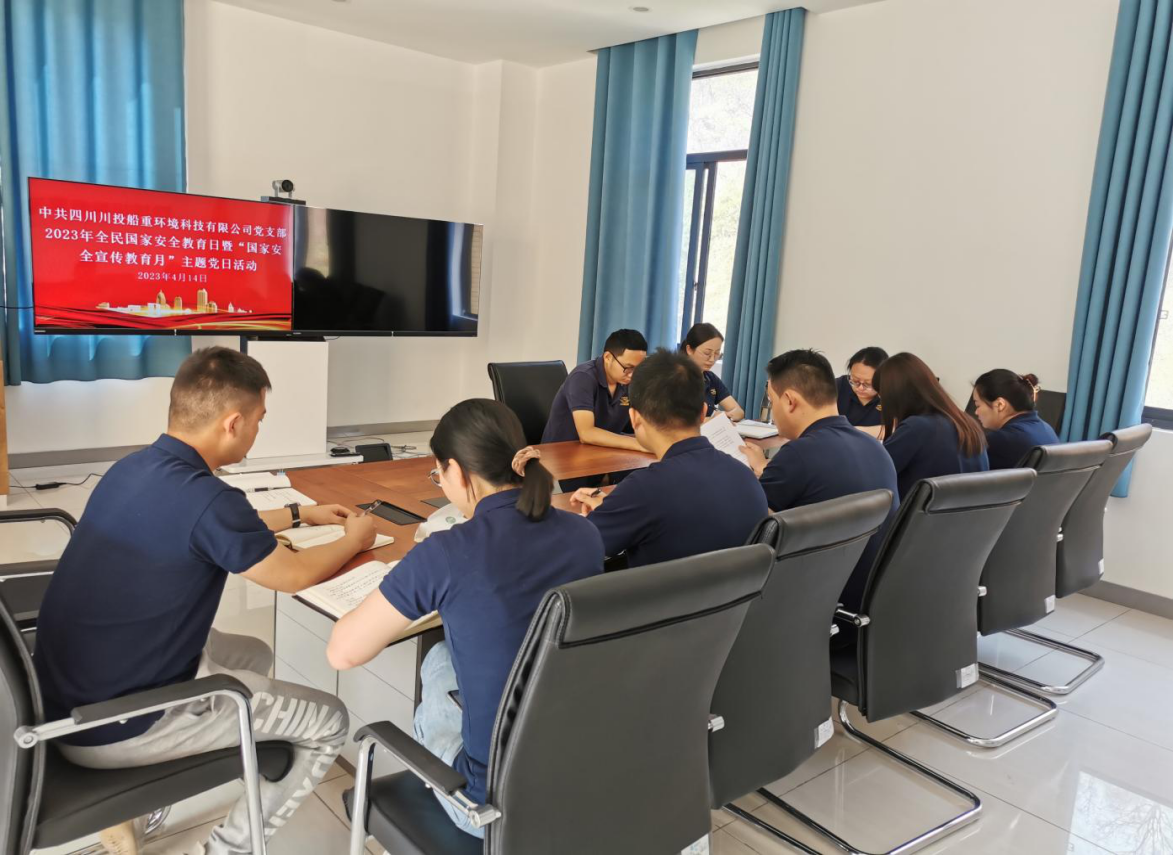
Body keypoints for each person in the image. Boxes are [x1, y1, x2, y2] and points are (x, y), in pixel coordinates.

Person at [33, 347, 376, 855]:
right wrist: (355, 539)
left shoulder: (133, 468)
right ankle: (225, 849)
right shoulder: (208, 499)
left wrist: (300, 514)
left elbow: (212, 524)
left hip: (64, 698)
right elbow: (292, 575)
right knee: (330, 720)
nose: (258, 430)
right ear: (233, 423)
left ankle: (175, 787)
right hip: (116, 728)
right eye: (259, 420)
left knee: (254, 654)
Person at [327, 399, 603, 838]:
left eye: (438, 474)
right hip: (578, 778)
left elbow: (342, 653)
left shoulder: (447, 552)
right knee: (442, 655)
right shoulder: (585, 534)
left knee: (438, 664)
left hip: (488, 804)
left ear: (455, 471)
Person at [569, 349, 766, 567]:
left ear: (634, 417)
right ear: (703, 413)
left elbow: (577, 548)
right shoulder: (745, 476)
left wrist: (610, 511)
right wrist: (615, 509)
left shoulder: (643, 489)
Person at [740, 349, 899, 609]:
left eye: (772, 401)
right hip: (864, 599)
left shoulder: (799, 454)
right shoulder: (876, 449)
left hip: (809, 601)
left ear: (789, 401)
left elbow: (750, 528)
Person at [874, 352, 989, 499]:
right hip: (964, 511)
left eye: (882, 396)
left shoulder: (917, 428)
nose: (882, 403)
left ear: (894, 395)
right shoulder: (967, 423)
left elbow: (873, 473)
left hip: (921, 512)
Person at [540, 328, 648, 451]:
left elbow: (636, 424)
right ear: (608, 357)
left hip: (602, 452)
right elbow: (587, 433)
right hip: (560, 455)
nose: (632, 375)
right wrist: (638, 445)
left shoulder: (628, 381)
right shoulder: (583, 377)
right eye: (628, 367)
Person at [972, 369, 1059, 469]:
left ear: (1000, 405)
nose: (976, 412)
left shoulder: (1000, 440)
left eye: (977, 405)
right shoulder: (1046, 429)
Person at [681, 322, 744, 421]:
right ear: (689, 350)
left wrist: (725, 416)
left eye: (717, 353)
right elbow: (677, 421)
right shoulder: (674, 378)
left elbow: (739, 412)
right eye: (707, 353)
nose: (712, 359)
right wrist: (713, 419)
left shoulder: (710, 378)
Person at [836, 346, 888, 428]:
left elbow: (895, 428)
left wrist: (852, 431)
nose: (860, 388)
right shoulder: (838, 386)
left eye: (867, 384)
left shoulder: (892, 396)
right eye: (855, 381)